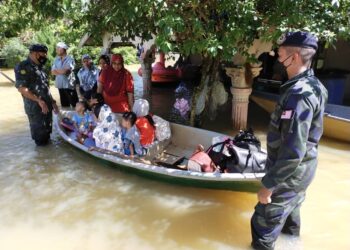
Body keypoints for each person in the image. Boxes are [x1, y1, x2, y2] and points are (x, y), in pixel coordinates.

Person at [250, 31, 328, 250]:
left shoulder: (299, 95)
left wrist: (268, 185)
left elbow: (293, 151)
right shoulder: (315, 85)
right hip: (303, 172)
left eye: (280, 53)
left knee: (262, 224)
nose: (276, 56)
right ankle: (292, 244)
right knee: (289, 220)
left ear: (293, 57)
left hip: (289, 174)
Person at [14, 44, 59, 146]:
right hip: (36, 108)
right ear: (35, 53)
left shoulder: (41, 67)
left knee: (47, 134)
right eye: (43, 54)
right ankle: (42, 159)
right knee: (40, 138)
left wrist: (53, 102)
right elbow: (22, 88)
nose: (45, 56)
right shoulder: (22, 66)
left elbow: (45, 87)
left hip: (47, 106)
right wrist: (38, 100)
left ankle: (48, 159)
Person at [51, 42, 78, 107]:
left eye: (58, 48)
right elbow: (52, 72)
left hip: (69, 86)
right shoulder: (56, 59)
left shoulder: (70, 59)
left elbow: (66, 71)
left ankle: (77, 117)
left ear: (63, 49)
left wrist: (58, 71)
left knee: (75, 104)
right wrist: (62, 71)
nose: (56, 50)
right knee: (64, 105)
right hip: (60, 85)